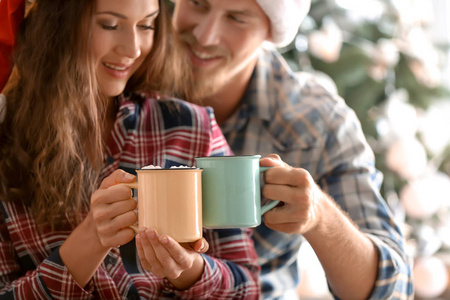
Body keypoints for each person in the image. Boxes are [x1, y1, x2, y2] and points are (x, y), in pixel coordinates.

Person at [0, 0, 261, 298]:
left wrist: (188, 270)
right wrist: (90, 239)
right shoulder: (6, 139)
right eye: (110, 25)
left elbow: (248, 288)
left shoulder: (190, 127)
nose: (133, 49)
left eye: (146, 25)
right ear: (56, 26)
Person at [170, 0, 414, 299]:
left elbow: (394, 291)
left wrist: (320, 217)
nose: (206, 35)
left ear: (271, 30)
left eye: (236, 18)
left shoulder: (318, 120)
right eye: (197, 3)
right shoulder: (122, 80)